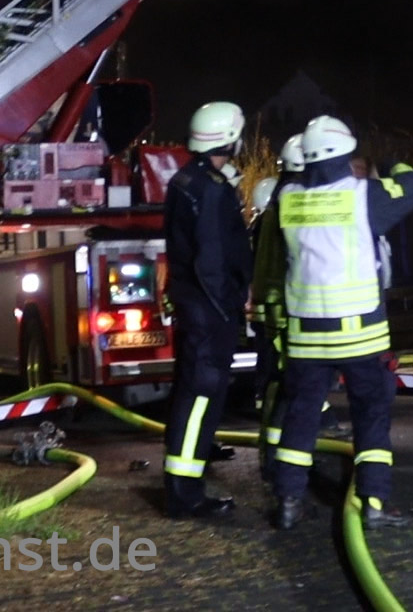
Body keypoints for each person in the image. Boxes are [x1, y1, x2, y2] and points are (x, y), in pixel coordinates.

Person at [271, 116, 413, 532]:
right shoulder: (365, 197)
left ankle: (287, 502)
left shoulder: (287, 198)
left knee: (300, 417)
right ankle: (373, 504)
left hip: (305, 338)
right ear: (345, 153)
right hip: (360, 336)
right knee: (371, 415)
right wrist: (392, 162)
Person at [161, 101, 253, 519]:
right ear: (228, 138)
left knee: (191, 395)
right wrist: (229, 307)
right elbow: (214, 256)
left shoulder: (184, 181)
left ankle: (184, 486)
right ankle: (185, 496)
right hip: (209, 309)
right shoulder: (212, 189)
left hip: (194, 304)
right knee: (201, 397)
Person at [251, 134, 306, 485]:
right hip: (288, 308)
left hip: (273, 306)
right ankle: (281, 465)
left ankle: (271, 454)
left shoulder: (276, 202)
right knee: (290, 384)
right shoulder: (294, 203)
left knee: (278, 381)